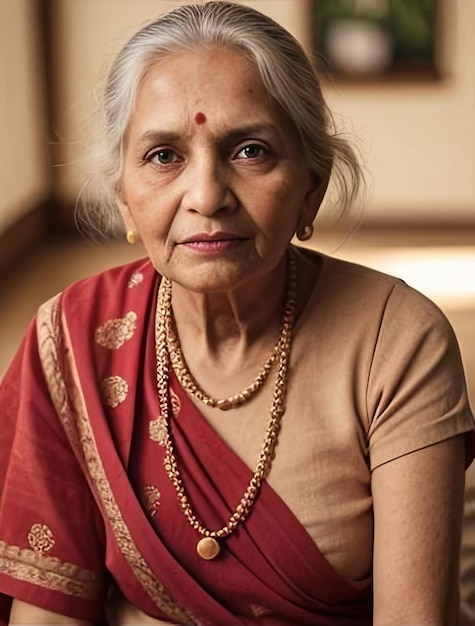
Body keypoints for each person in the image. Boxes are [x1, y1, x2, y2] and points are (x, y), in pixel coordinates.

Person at [0, 2, 473, 624]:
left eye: (249, 150)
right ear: (122, 197)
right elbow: (50, 611)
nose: (206, 197)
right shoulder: (72, 340)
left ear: (312, 186)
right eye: (164, 156)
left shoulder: (397, 341)